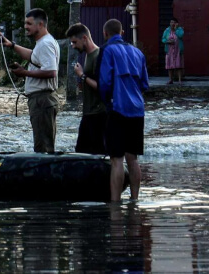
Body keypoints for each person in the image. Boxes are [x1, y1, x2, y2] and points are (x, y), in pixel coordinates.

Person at [97, 19, 148, 201]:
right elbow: (144, 84)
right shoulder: (138, 53)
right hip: (137, 110)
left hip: (117, 108)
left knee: (117, 160)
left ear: (105, 34)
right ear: (123, 32)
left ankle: (115, 203)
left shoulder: (107, 50)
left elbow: (104, 83)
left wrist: (107, 102)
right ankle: (135, 200)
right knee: (132, 159)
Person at [0, 8, 60, 153]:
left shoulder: (45, 44)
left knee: (42, 147)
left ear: (41, 24)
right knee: (43, 144)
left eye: (29, 23)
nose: (25, 26)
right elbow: (33, 56)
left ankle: (43, 175)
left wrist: (24, 72)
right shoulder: (44, 42)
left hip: (42, 100)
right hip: (42, 100)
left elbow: (51, 72)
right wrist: (12, 46)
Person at [69, 23, 107, 155]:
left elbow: (102, 87)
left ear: (84, 38)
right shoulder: (87, 55)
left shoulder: (98, 56)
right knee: (80, 151)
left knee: (98, 153)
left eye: (74, 42)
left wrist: (82, 75)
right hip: (88, 113)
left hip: (99, 114)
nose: (73, 46)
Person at [162, 18, 184, 85]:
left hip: (178, 50)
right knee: (169, 65)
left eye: (174, 22)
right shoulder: (167, 30)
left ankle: (180, 80)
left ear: (177, 23)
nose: (172, 23)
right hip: (169, 50)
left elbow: (181, 36)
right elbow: (163, 39)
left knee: (179, 65)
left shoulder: (180, 30)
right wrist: (167, 41)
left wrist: (176, 29)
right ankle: (170, 80)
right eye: (171, 22)